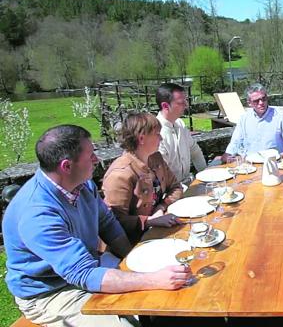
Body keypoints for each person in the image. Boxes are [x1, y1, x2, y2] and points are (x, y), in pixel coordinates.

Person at [2, 125, 191, 327]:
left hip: (88, 266)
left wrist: (130, 259)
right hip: (51, 292)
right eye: (91, 154)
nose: (97, 160)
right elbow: (82, 274)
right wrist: (152, 279)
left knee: (166, 296)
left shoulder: (82, 184)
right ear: (66, 166)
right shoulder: (38, 214)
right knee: (127, 323)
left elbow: (107, 223)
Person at [103, 112, 183, 245]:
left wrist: (161, 207)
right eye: (157, 134)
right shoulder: (120, 174)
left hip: (160, 228)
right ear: (141, 139)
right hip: (133, 244)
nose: (161, 138)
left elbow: (176, 187)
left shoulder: (155, 158)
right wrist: (149, 221)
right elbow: (114, 220)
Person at [223, 83, 283, 159]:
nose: (261, 103)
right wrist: (228, 153)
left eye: (263, 99)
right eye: (256, 101)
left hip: (276, 162)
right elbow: (235, 141)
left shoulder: (280, 116)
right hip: (250, 164)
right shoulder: (244, 119)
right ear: (249, 103)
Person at [156, 82, 207, 183]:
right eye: (181, 102)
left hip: (188, 183)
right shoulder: (156, 132)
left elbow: (194, 151)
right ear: (165, 106)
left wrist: (206, 175)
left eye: (186, 101)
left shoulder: (180, 124)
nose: (186, 105)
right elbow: (161, 172)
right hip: (172, 192)